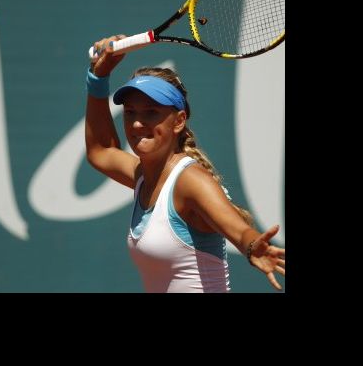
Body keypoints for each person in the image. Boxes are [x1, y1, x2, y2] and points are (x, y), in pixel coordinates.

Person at [85, 35, 285, 293]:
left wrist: (251, 245)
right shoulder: (143, 176)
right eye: (130, 112)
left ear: (179, 121)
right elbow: (100, 150)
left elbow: (238, 230)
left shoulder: (191, 181)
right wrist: (97, 78)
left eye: (151, 112)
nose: (136, 123)